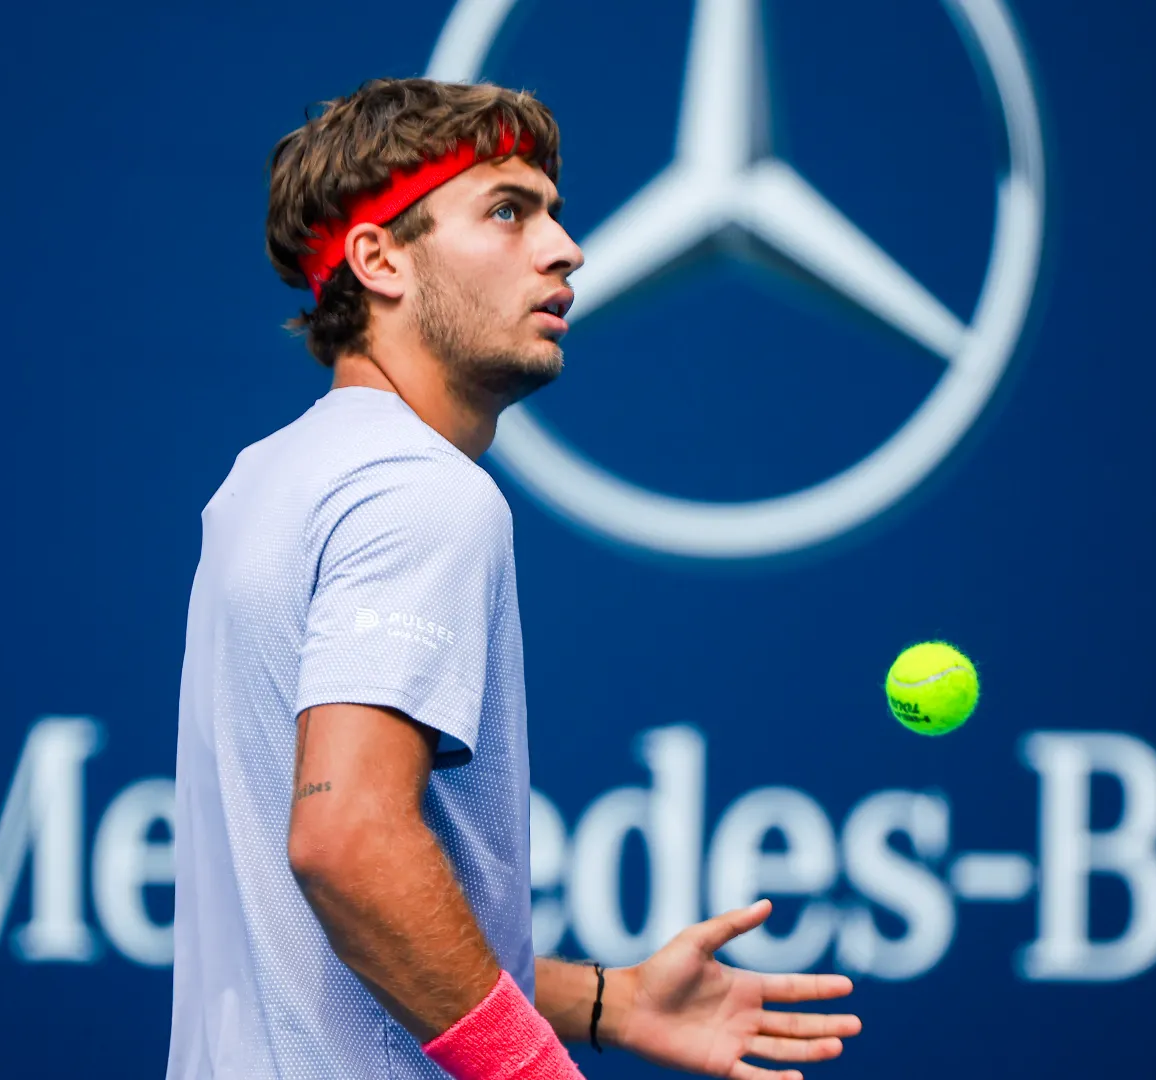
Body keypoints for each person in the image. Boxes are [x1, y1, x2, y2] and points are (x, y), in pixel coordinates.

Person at [166, 77, 863, 1080]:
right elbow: (349, 842)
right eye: (507, 212)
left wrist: (608, 1001)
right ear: (380, 260)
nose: (566, 249)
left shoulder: (265, 480)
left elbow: (322, 944)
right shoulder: (420, 490)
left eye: (553, 214)